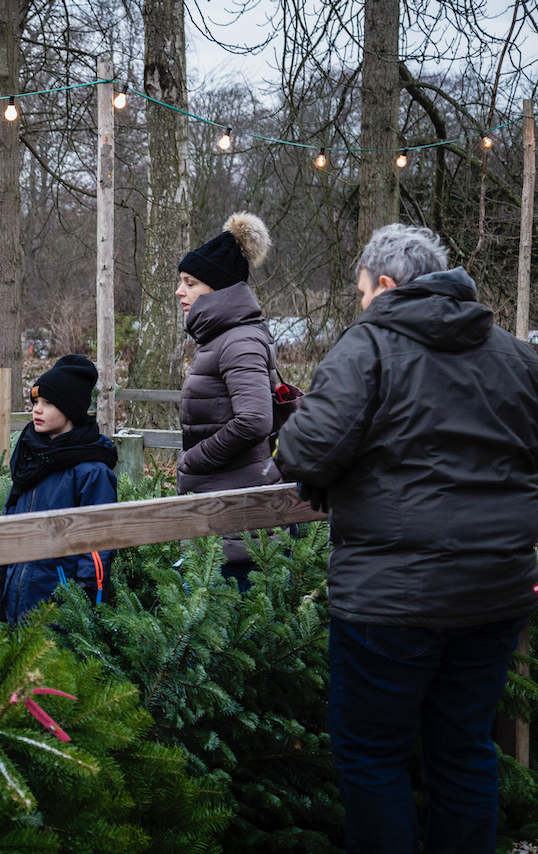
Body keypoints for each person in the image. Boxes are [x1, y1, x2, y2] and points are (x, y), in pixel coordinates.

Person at [276, 223, 538, 854]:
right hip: (496, 590)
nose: (362, 303)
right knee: (465, 748)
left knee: (372, 756)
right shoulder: (514, 355)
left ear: (386, 284)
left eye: (363, 292)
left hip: (392, 597)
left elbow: (305, 450)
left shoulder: (369, 346)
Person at [174, 211, 280, 589]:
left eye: (190, 283)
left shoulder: (239, 340)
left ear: (218, 290)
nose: (179, 291)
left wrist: (192, 460)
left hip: (236, 530)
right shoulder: (221, 338)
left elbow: (254, 420)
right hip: (219, 517)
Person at [0, 355, 119, 624]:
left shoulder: (91, 472)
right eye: (35, 402)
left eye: (48, 403)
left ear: (70, 408)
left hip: (58, 611)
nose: (37, 410)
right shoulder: (30, 461)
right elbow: (9, 524)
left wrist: (83, 602)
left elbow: (97, 546)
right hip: (15, 603)